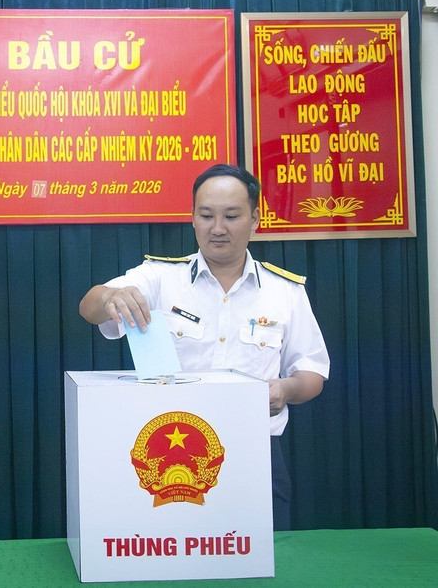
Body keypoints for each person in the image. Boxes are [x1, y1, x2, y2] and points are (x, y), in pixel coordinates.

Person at [79, 164, 329, 530]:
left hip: (253, 454)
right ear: (193, 218)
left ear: (255, 219)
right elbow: (90, 307)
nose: (218, 228)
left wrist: (286, 389)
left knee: (263, 554)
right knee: (169, 550)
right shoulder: (161, 277)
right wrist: (110, 297)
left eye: (231, 216)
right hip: (167, 453)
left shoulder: (284, 291)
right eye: (207, 215)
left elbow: (312, 372)